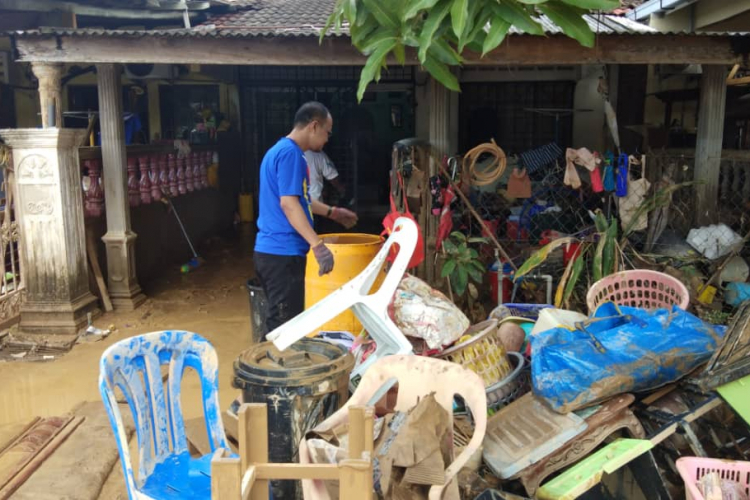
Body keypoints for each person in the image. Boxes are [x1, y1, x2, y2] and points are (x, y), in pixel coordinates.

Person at [254, 101, 358, 336]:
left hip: (273, 254)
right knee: (283, 330)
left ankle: (271, 368)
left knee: (282, 324)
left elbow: (301, 201)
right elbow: (289, 205)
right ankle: (266, 371)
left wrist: (333, 212)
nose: (328, 139)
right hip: (282, 255)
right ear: (313, 126)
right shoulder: (291, 154)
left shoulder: (280, 151)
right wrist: (317, 245)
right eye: (327, 132)